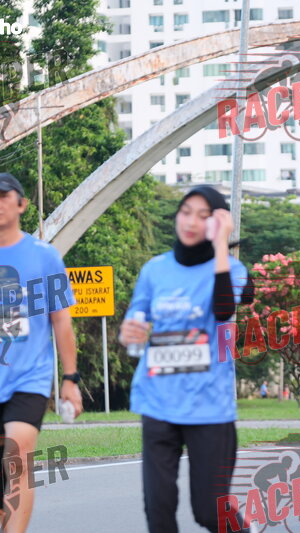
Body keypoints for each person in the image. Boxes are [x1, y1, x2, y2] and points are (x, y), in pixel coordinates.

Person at [0, 172, 83, 533]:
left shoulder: (44, 256)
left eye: (3, 197)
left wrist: (70, 378)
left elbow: (61, 322)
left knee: (18, 455)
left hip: (30, 377)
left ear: (21, 204)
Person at [119, 186, 250, 533]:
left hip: (209, 408)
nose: (191, 222)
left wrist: (221, 246)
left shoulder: (233, 269)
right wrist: (129, 332)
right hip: (158, 401)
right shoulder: (154, 269)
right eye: (186, 212)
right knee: (158, 511)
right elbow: (136, 318)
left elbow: (223, 310)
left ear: (218, 223)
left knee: (210, 512)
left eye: (203, 216)